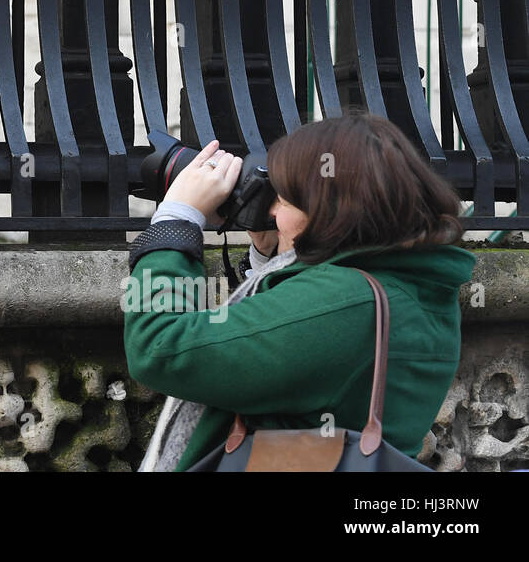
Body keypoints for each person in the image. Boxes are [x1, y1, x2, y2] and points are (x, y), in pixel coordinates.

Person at [123, 112, 476, 471]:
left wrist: (176, 220)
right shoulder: (409, 284)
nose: (273, 211)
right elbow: (289, 370)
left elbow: (159, 346)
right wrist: (267, 259)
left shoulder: (346, 304)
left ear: (334, 210)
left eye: (287, 201)